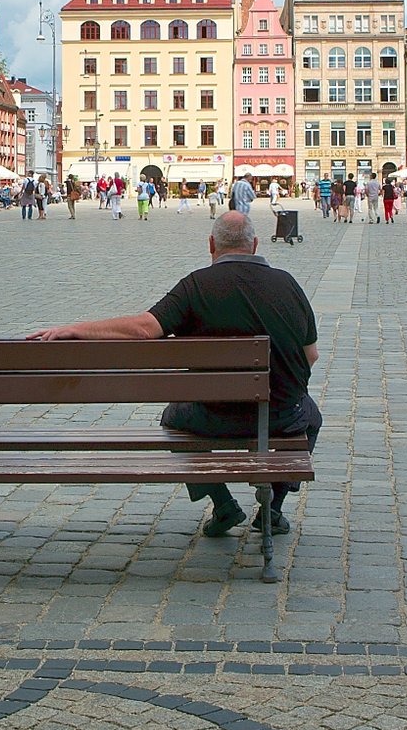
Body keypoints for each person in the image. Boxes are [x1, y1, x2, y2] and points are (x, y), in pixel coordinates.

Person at [27, 211, 323, 538]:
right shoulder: (289, 284)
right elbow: (311, 355)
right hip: (280, 418)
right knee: (311, 416)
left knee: (173, 417)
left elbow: (145, 329)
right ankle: (273, 507)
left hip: (213, 417)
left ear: (211, 244)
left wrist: (76, 329)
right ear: (254, 244)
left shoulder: (196, 285)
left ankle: (223, 503)